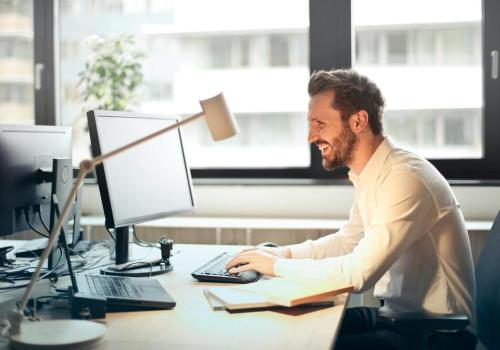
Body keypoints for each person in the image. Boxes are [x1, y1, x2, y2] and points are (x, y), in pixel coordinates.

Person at [226, 68, 476, 349]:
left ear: (358, 121)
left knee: (301, 343)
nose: (311, 136)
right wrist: (282, 253)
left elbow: (358, 275)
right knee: (285, 327)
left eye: (320, 123)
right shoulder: (373, 173)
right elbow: (348, 242)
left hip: (437, 335)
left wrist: (276, 266)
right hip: (396, 319)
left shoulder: (406, 179)